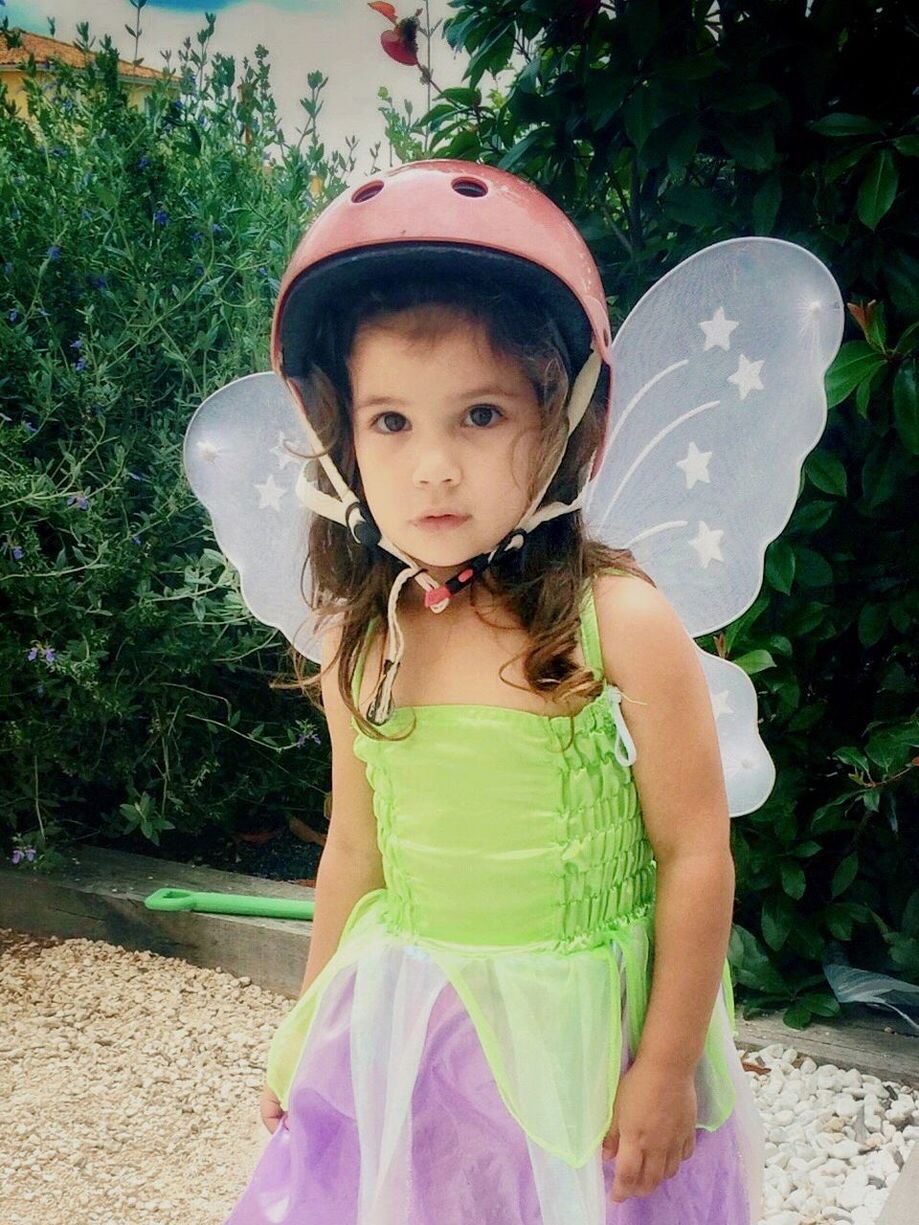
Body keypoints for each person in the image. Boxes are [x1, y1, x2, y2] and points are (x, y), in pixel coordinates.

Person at [182, 158, 845, 1225]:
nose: (433, 466)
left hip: (584, 1042)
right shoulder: (367, 636)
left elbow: (695, 851)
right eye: (390, 421)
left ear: (563, 421)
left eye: (480, 414)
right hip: (415, 1031)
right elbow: (356, 850)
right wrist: (305, 1034)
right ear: (339, 437)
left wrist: (666, 1067)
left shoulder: (618, 621)